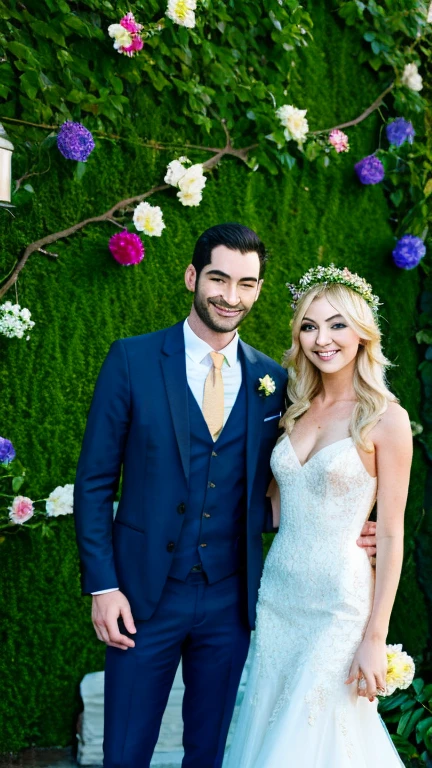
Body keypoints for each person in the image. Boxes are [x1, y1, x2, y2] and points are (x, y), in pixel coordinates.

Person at [74, 227, 376, 768]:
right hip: (142, 597)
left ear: (258, 290)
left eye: (245, 283)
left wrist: (343, 525)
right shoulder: (132, 360)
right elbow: (95, 483)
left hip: (229, 601)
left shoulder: (274, 379)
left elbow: (287, 483)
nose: (230, 296)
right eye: (218, 278)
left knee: (210, 751)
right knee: (123, 750)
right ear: (193, 277)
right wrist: (104, 585)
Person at [224, 266, 412, 768]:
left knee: (311, 734)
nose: (322, 339)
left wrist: (375, 636)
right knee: (270, 724)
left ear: (361, 333)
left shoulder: (385, 418)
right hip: (280, 596)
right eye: (309, 326)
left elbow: (392, 532)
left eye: (336, 325)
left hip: (339, 605)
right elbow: (272, 500)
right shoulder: (292, 408)